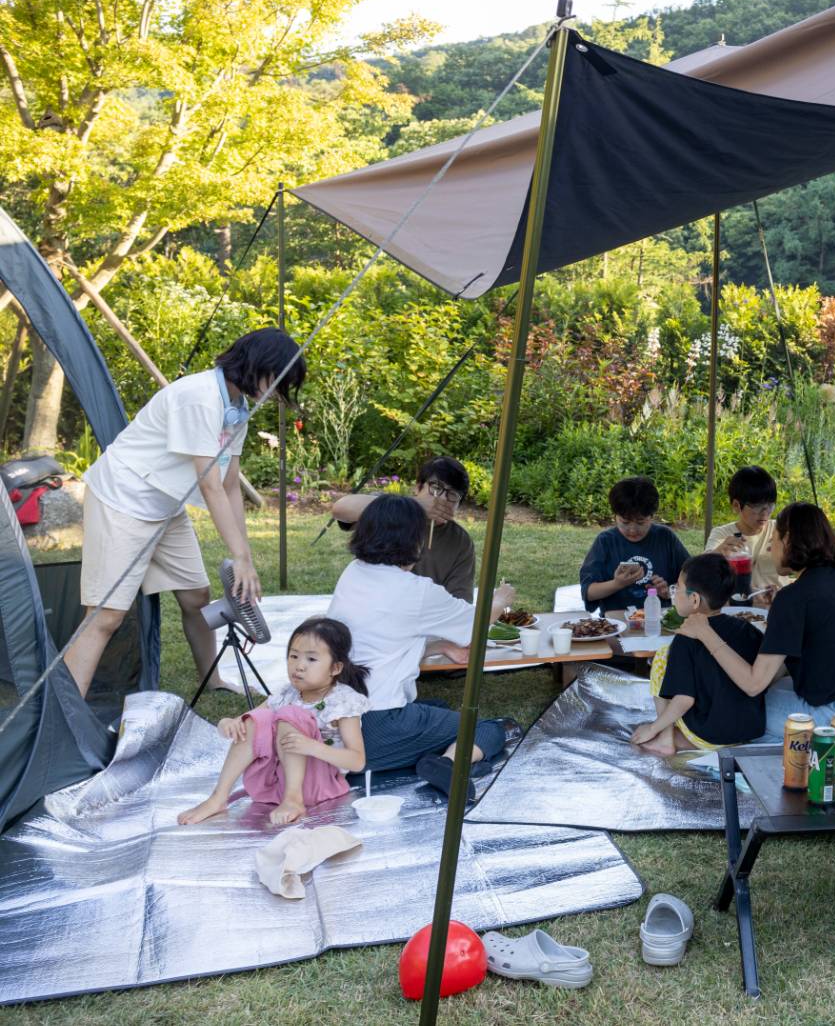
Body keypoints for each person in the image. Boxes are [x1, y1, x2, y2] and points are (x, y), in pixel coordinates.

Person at [65, 328, 307, 697]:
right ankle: (64, 717)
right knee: (106, 615)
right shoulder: (199, 397)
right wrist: (239, 557)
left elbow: (228, 484)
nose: (276, 392)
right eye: (277, 380)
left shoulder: (238, 406)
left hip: (166, 504)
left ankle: (211, 681)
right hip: (124, 499)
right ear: (257, 365)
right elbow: (209, 485)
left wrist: (245, 556)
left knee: (196, 596)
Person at [326, 494, 515, 798]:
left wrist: (439, 646)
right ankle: (447, 763)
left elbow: (377, 640)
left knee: (436, 708)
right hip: (374, 725)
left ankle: (426, 753)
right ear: (414, 541)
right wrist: (500, 600)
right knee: (486, 729)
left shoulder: (354, 572)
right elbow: (474, 627)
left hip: (335, 713)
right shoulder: (415, 591)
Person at [678, 503, 835, 740]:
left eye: (774, 539)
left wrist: (705, 632)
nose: (768, 546)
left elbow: (753, 684)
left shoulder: (794, 597)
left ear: (788, 541)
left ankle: (686, 741)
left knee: (741, 706)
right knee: (775, 689)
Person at [177, 616, 369, 826]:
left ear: (335, 668)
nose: (299, 666)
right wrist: (227, 723)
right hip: (275, 783)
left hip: (319, 785)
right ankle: (218, 797)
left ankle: (293, 799)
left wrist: (312, 747)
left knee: (289, 715)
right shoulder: (288, 693)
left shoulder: (343, 701)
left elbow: (357, 761)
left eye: (311, 659)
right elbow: (246, 722)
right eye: (294, 656)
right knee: (258, 719)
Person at [632, 554, 766, 755]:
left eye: (677, 587)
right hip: (749, 731)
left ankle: (665, 737)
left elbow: (684, 700)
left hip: (707, 734)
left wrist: (653, 727)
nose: (674, 593)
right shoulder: (748, 629)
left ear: (694, 599)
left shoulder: (686, 637)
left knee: (661, 656)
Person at [331, 456, 476, 599]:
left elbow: (460, 600)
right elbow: (340, 509)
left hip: (422, 614)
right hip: (372, 601)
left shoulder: (461, 542)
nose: (442, 498)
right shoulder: (390, 510)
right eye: (436, 487)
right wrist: (414, 506)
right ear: (418, 487)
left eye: (453, 495)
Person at [580, 476, 691, 613]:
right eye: (625, 522)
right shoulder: (606, 542)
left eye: (640, 522)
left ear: (652, 516)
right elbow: (588, 592)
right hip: (617, 623)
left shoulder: (665, 537)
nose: (632, 530)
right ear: (615, 516)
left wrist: (668, 591)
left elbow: (692, 580)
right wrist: (617, 584)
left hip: (660, 620)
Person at [704, 465, 782, 604]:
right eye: (757, 506)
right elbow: (701, 571)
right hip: (736, 612)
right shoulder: (722, 534)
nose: (765, 512)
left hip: (776, 612)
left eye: (770, 505)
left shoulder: (781, 529)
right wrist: (718, 552)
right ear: (736, 505)